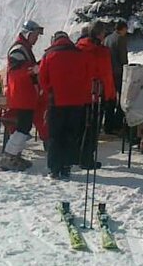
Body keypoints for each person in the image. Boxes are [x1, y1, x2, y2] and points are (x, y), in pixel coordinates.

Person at [39, 31, 93, 179]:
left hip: (56, 101)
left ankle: (54, 168)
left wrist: (49, 91)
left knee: (55, 135)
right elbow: (88, 77)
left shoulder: (49, 55)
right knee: (70, 134)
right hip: (76, 102)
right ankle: (66, 166)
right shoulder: (80, 54)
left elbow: (42, 78)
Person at [2, 19, 45, 171]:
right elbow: (15, 71)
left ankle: (13, 155)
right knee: (23, 127)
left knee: (24, 126)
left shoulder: (24, 48)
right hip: (21, 93)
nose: (36, 38)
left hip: (24, 94)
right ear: (28, 33)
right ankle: (9, 155)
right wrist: (32, 69)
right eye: (34, 35)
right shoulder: (19, 49)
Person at [75, 21, 116, 169]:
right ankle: (87, 159)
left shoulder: (78, 48)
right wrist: (110, 95)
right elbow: (106, 75)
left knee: (80, 126)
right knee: (92, 129)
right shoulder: (101, 51)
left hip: (79, 93)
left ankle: (76, 156)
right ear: (100, 34)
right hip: (96, 94)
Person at [102, 20, 129, 134]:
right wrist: (126, 68)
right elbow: (123, 57)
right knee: (122, 99)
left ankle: (108, 124)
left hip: (107, 71)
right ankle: (117, 124)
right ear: (122, 29)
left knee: (109, 99)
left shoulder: (107, 39)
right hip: (118, 72)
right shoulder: (120, 39)